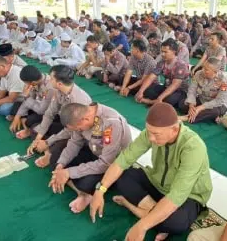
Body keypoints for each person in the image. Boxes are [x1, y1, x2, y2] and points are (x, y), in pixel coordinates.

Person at [89, 103, 213, 241]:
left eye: (156, 134)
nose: (151, 138)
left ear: (174, 129)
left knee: (176, 223)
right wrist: (100, 190)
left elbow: (177, 196)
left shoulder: (193, 148)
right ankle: (156, 216)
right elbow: (123, 160)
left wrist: (141, 226)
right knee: (123, 176)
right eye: (149, 132)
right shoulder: (150, 134)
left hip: (189, 195)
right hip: (158, 183)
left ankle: (136, 208)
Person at [30, 102, 132, 214]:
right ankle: (81, 192)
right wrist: (60, 167)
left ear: (85, 119)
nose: (78, 131)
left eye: (78, 129)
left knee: (85, 183)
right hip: (94, 151)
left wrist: (68, 172)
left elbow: (105, 163)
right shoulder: (81, 114)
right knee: (55, 160)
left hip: (112, 163)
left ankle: (83, 191)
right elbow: (74, 143)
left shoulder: (111, 124)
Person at [27, 65, 92, 167]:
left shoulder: (78, 100)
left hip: (77, 132)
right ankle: (46, 149)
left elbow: (72, 130)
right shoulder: (59, 91)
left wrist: (48, 142)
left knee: (57, 150)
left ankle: (49, 152)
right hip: (65, 124)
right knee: (35, 128)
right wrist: (38, 138)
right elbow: (49, 113)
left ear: (59, 83)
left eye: (51, 78)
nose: (49, 79)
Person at [135, 39, 190, 108]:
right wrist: (141, 91)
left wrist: (160, 97)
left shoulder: (180, 65)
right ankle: (157, 101)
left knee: (170, 100)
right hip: (166, 87)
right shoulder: (162, 62)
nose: (162, 54)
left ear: (174, 51)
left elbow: (175, 85)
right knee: (147, 90)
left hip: (180, 91)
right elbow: (151, 77)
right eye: (162, 51)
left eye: (165, 52)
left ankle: (150, 101)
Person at [8, 65, 56, 139]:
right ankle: (21, 119)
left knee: (30, 121)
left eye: (26, 83)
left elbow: (41, 110)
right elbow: (32, 98)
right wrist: (17, 116)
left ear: (32, 82)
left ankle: (25, 123)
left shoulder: (49, 88)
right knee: (17, 105)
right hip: (39, 104)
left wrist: (27, 97)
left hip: (48, 111)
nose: (26, 85)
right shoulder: (37, 81)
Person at [179, 57, 227, 124]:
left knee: (214, 111)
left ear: (215, 71)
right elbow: (192, 90)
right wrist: (191, 105)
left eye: (206, 69)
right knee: (182, 104)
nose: (203, 70)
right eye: (203, 67)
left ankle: (186, 117)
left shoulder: (224, 81)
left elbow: (219, 100)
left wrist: (199, 108)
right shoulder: (198, 74)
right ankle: (206, 116)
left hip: (218, 105)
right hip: (203, 99)